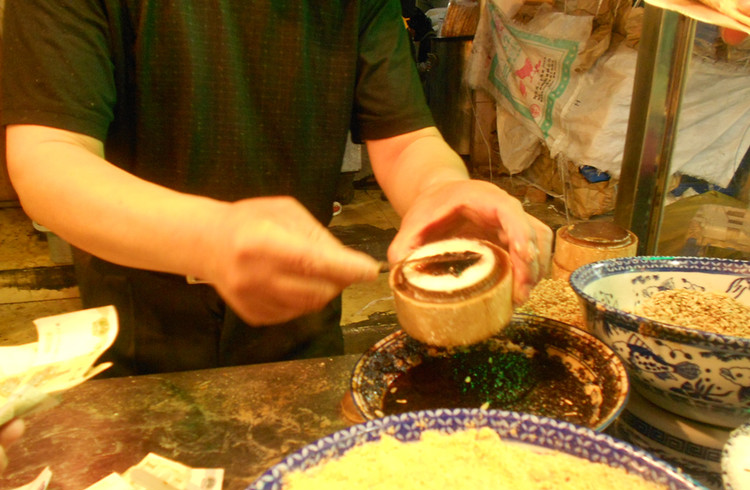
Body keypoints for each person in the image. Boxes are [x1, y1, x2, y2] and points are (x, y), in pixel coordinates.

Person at [1, 1, 552, 377]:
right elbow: (49, 156)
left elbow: (405, 138)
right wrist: (210, 237)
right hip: (138, 335)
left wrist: (441, 189)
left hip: (300, 334)